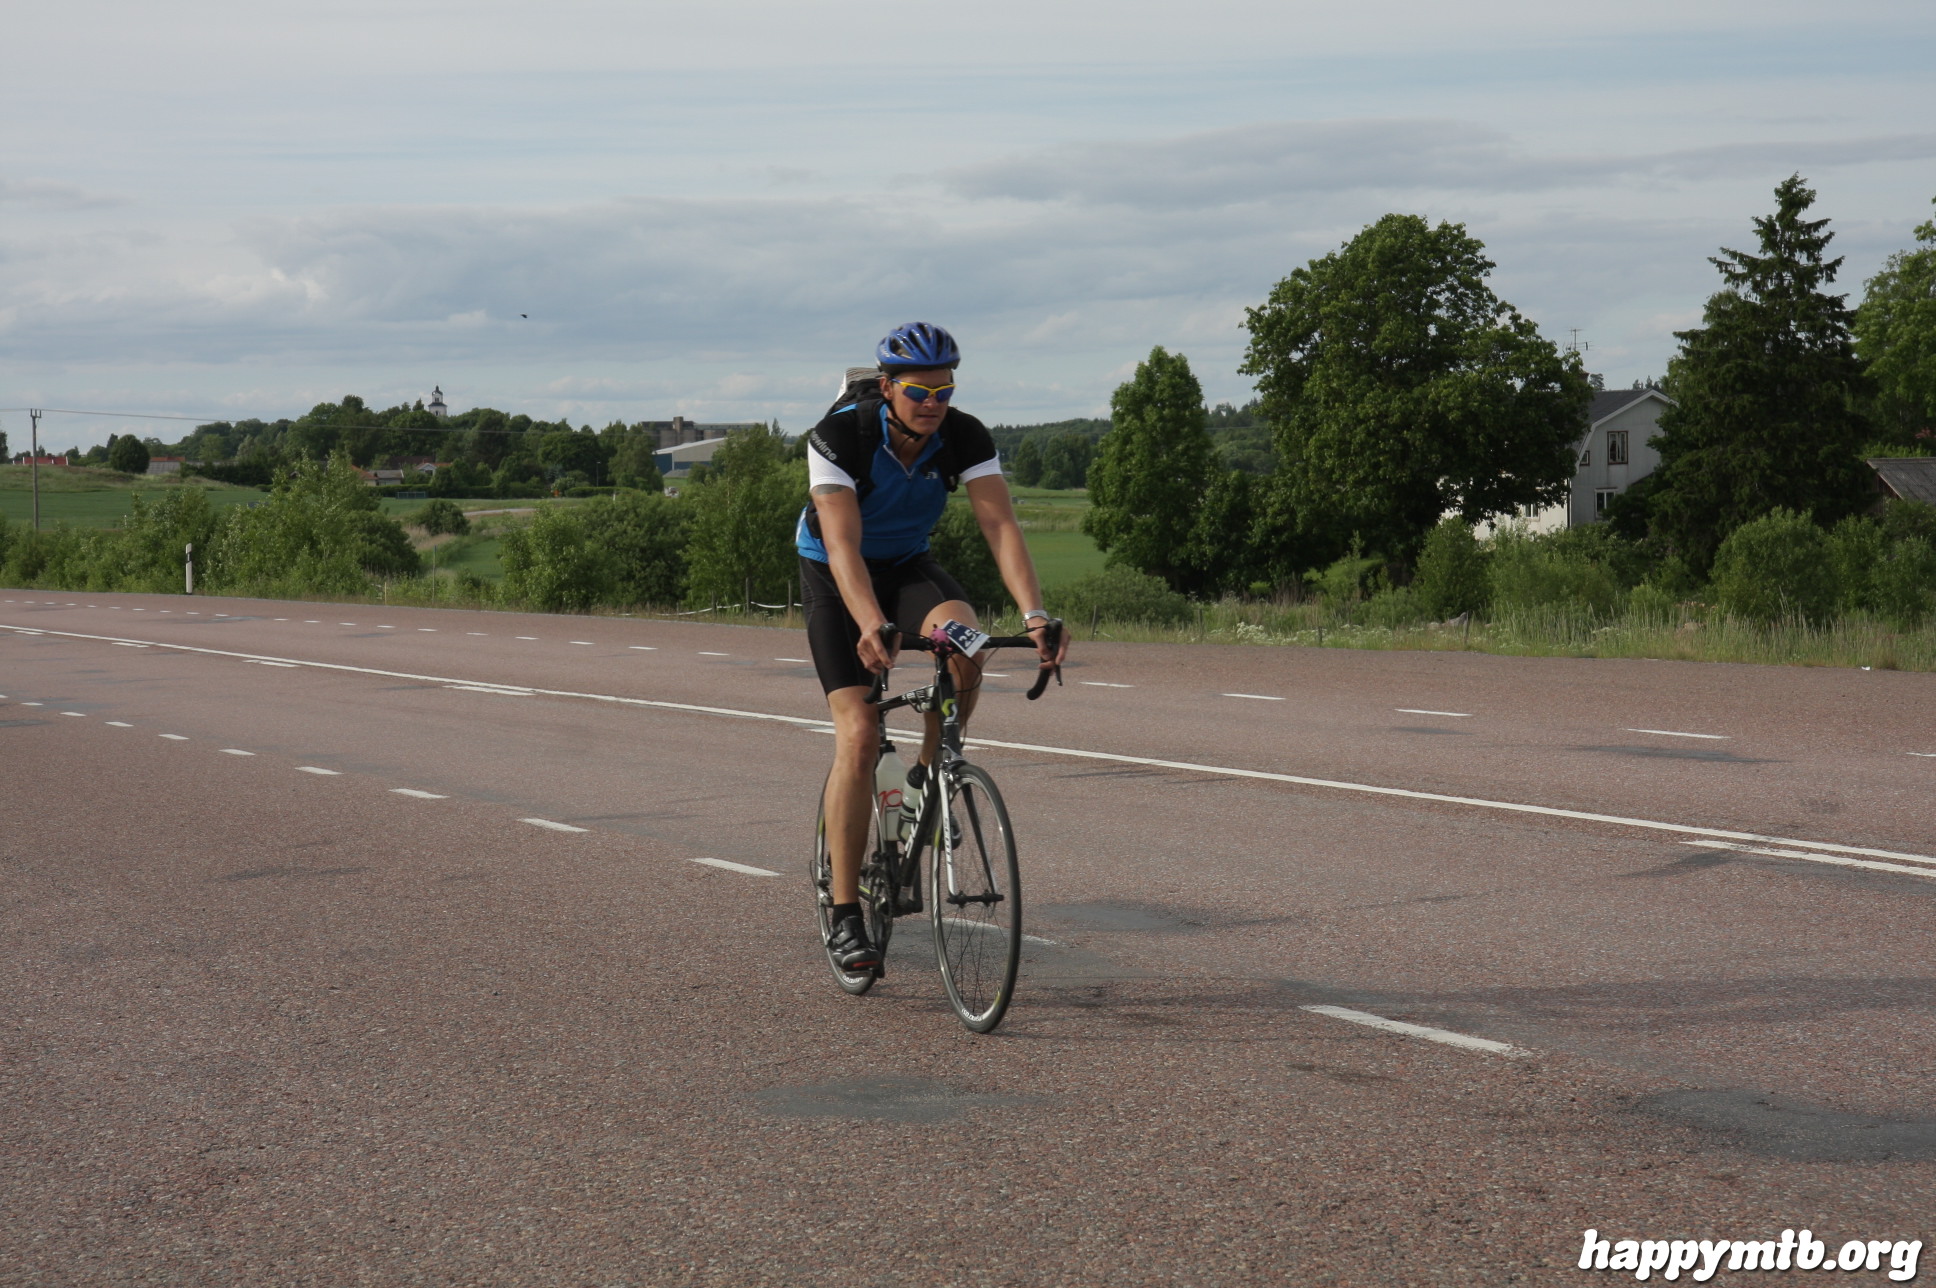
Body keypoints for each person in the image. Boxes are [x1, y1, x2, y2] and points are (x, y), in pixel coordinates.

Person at [798, 321, 1068, 973]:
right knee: (860, 735)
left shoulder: (964, 435)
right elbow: (842, 545)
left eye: (945, 391)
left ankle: (928, 774)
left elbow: (999, 524)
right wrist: (870, 623)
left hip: (908, 564)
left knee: (968, 646)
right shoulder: (840, 436)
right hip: (837, 575)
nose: (934, 403)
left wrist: (1035, 615)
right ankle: (845, 914)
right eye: (920, 391)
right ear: (888, 387)